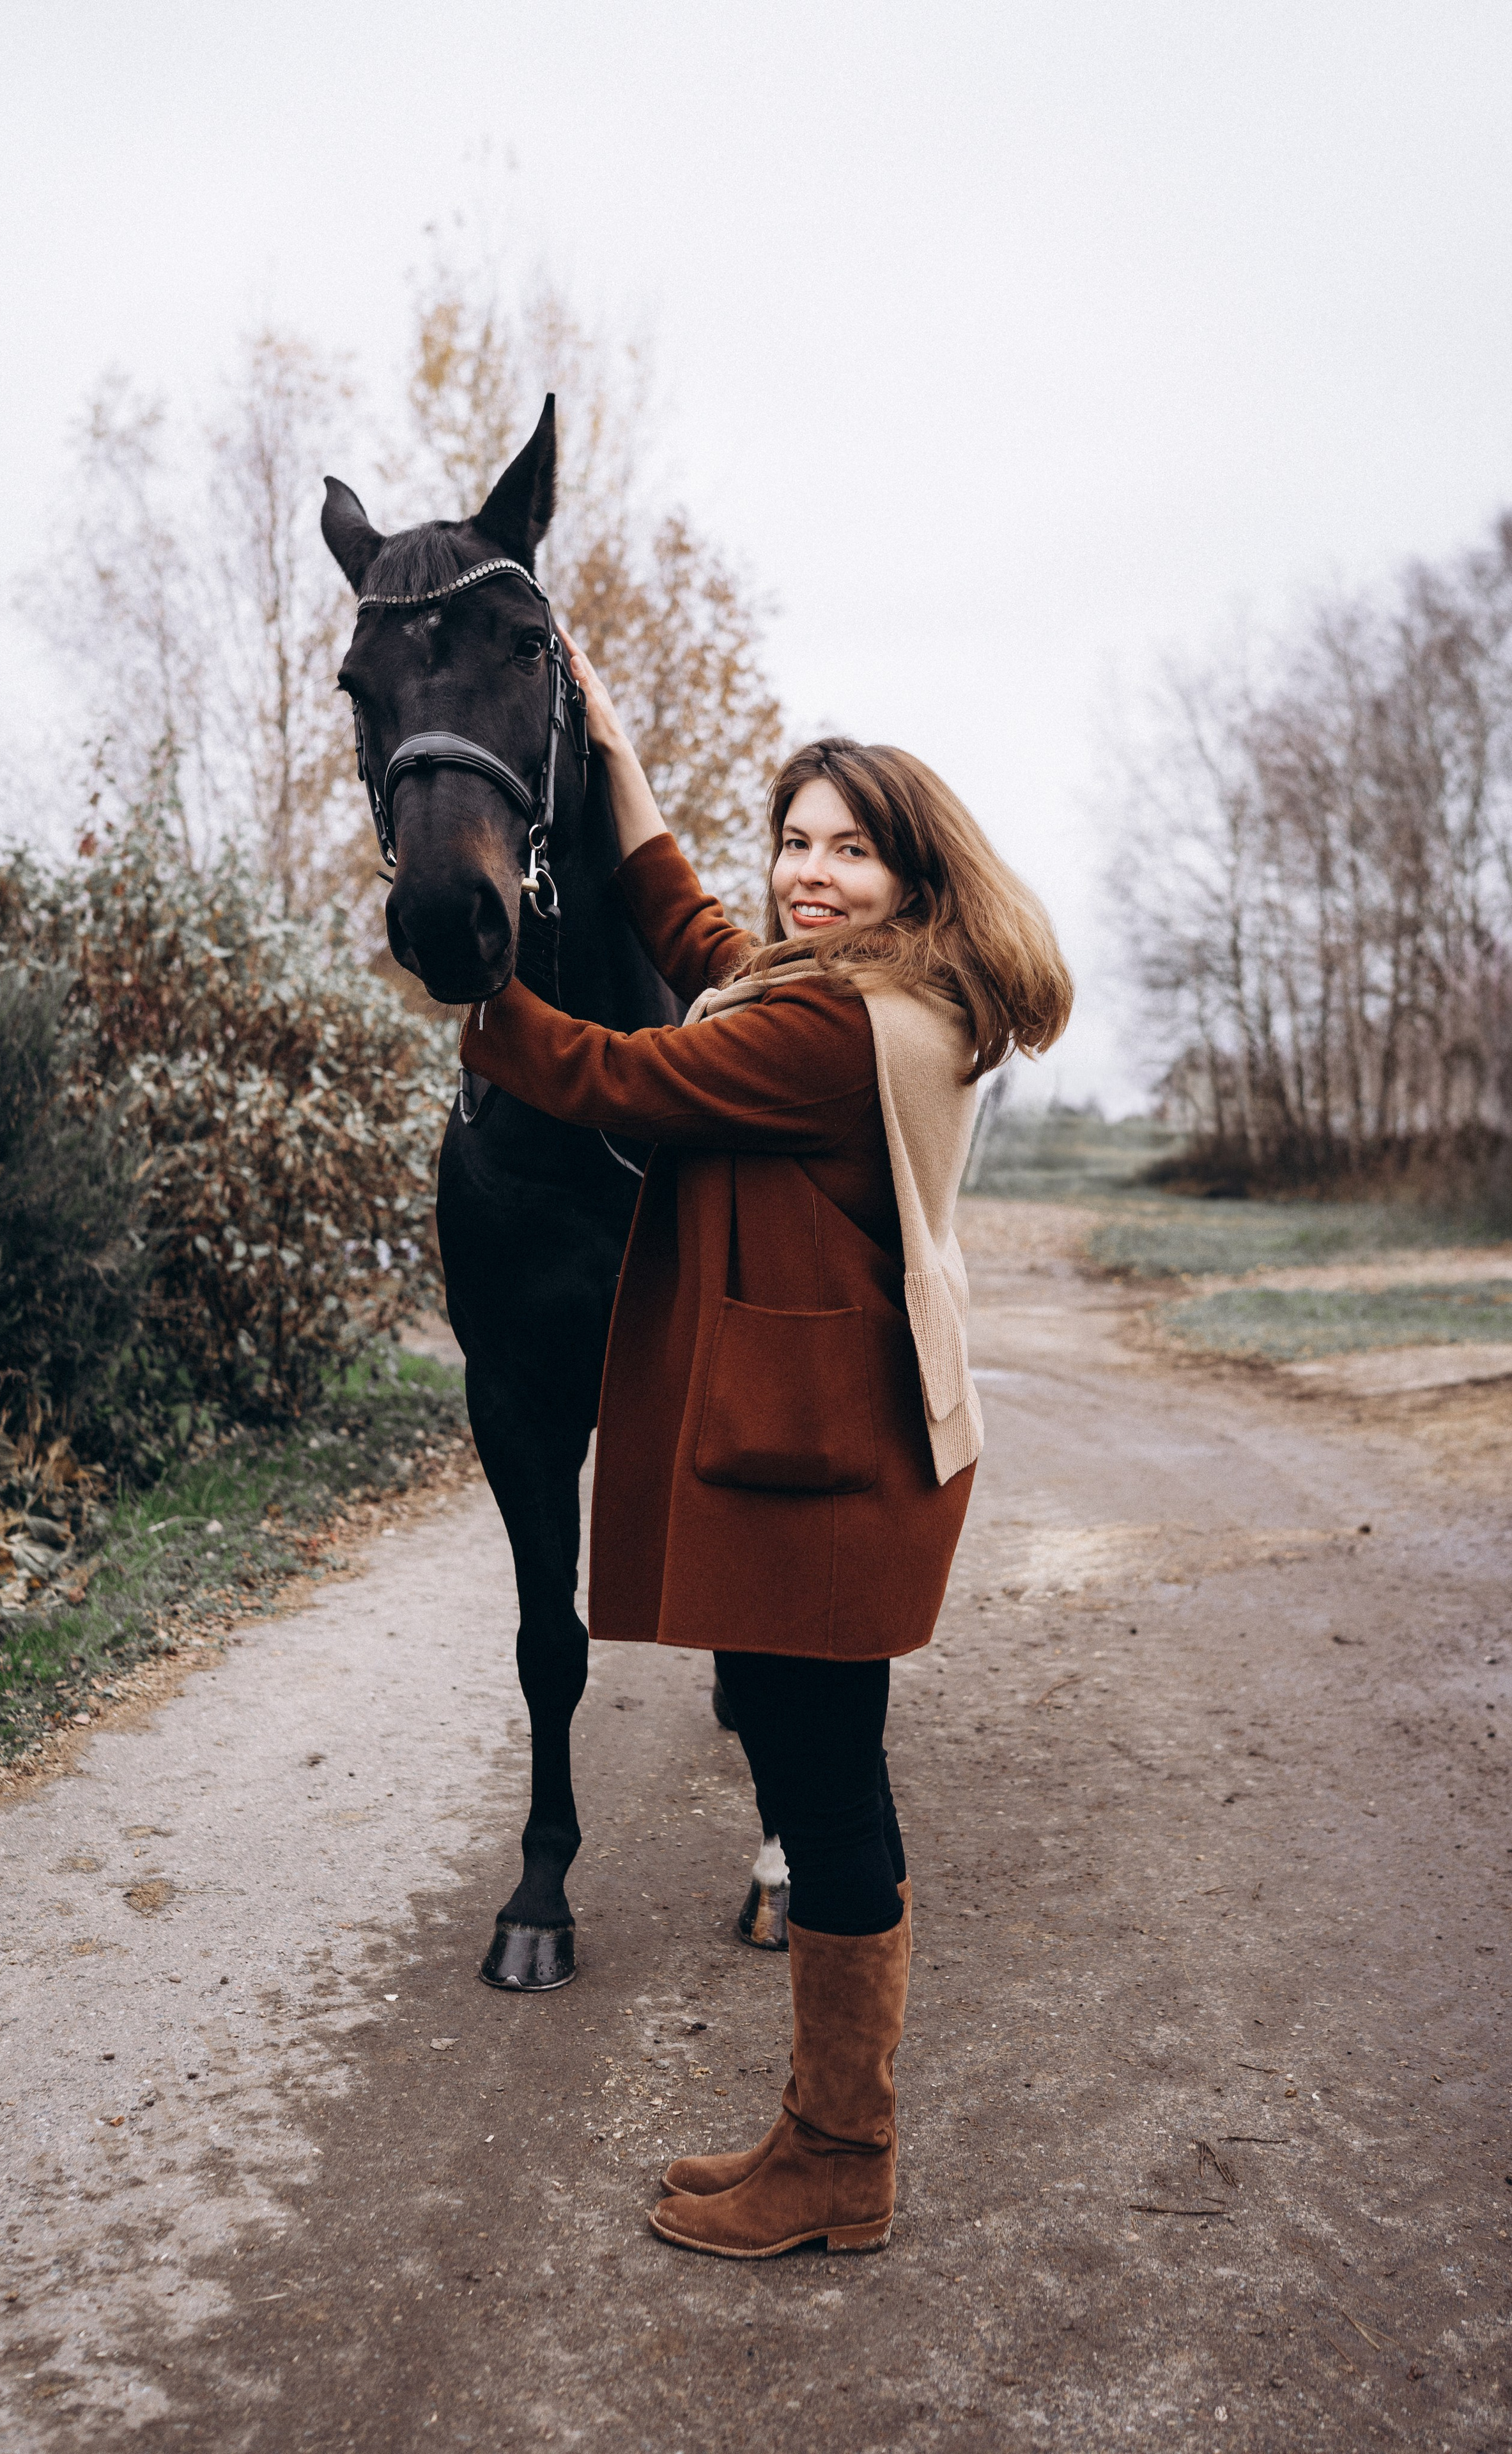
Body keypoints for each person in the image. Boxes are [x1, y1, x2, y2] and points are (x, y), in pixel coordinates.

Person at [459, 634, 1072, 2258]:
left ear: (908, 874)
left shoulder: (832, 1035)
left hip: (820, 1466)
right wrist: (612, 748)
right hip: (818, 1448)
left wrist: (476, 984)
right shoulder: (849, 990)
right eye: (794, 839)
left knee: (825, 1791)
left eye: (846, 849)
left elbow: (621, 1072)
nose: (808, 874)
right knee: (819, 1776)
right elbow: (691, 927)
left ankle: (839, 2160)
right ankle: (817, 2136)